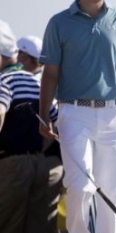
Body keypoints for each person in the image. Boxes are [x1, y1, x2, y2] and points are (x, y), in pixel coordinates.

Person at [38, 1, 116, 233]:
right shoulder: (58, 22)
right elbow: (50, 72)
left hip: (114, 112)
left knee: (112, 190)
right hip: (73, 112)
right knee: (79, 186)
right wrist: (44, 114)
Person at [0, 19, 59, 233]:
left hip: (11, 164)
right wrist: (35, 153)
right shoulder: (36, 82)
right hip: (37, 163)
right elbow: (54, 125)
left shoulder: (5, 80)